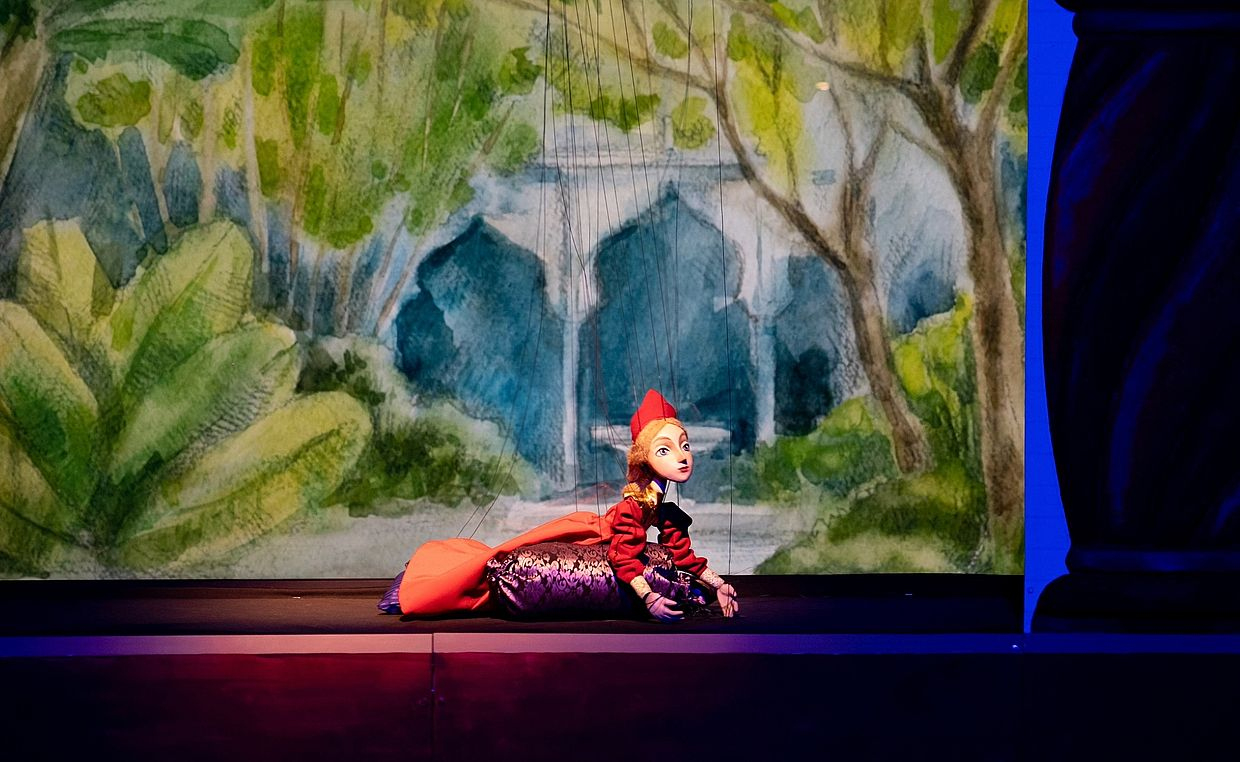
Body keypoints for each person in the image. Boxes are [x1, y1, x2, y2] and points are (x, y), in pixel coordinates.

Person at [381, 389, 739, 621]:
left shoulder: (660, 504)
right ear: (645, 457)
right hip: (591, 531)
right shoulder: (635, 505)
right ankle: (430, 579)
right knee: (511, 554)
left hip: (602, 535)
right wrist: (649, 599)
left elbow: (683, 554)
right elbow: (623, 556)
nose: (682, 457)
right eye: (665, 449)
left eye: (684, 445)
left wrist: (718, 583)